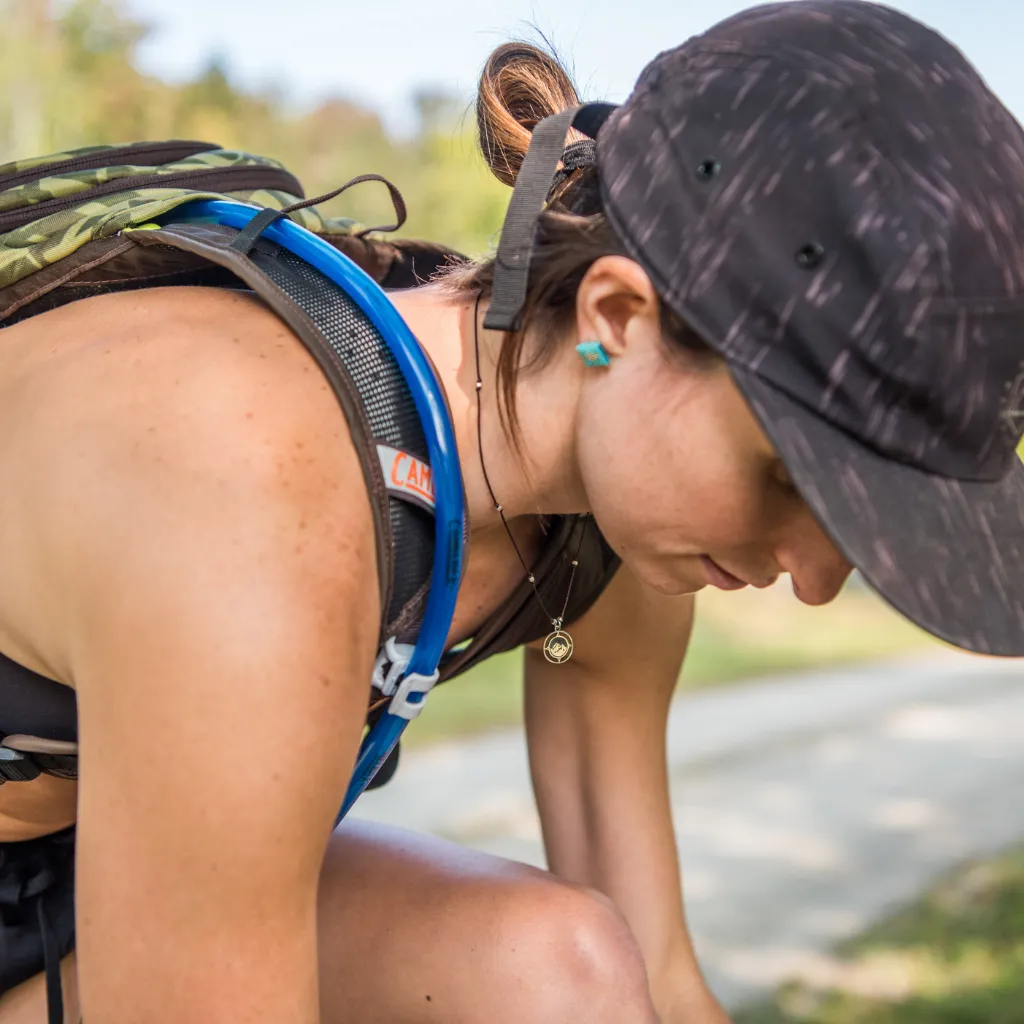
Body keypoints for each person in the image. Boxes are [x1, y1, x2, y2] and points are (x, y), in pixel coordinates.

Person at [2, 1, 1023, 1021]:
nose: (811, 578)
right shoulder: (254, 477)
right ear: (615, 318)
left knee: (554, 969)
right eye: (790, 481)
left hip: (82, 907)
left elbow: (657, 981)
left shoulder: (609, 533)